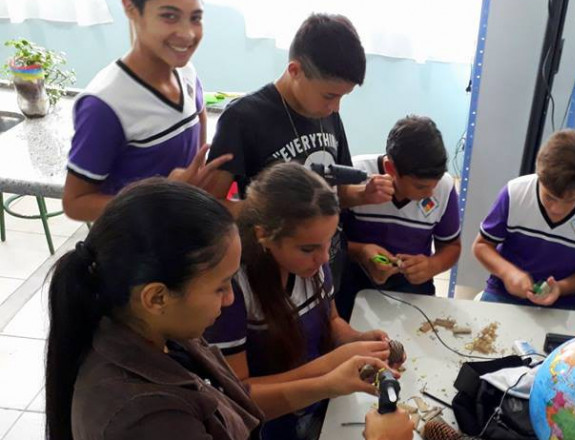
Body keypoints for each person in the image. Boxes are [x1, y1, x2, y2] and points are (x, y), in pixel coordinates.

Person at [45, 180, 413, 440]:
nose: (230, 299)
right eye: (221, 286)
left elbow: (232, 403)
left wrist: (330, 380)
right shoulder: (142, 419)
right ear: (156, 297)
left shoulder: (163, 333)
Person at [204, 162, 394, 440]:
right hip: (277, 427)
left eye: (329, 242)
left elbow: (331, 321)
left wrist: (356, 339)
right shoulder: (233, 291)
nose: (323, 258)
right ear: (264, 235)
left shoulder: (312, 265)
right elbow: (238, 397)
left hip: (326, 404)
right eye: (308, 249)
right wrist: (329, 373)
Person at [206, 14, 392, 287]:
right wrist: (274, 210)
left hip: (326, 268)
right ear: (295, 70)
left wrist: (363, 195)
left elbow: (335, 195)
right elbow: (211, 205)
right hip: (272, 279)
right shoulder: (243, 119)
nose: (336, 107)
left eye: (343, 96)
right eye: (330, 95)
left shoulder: (328, 114)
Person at [63, 0, 231, 222]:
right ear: (131, 8)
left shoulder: (186, 72)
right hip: (137, 238)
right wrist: (162, 198)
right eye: (169, 16)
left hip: (182, 224)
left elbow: (199, 116)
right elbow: (75, 204)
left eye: (195, 18)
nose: (188, 34)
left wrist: (197, 174)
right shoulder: (104, 104)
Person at [473, 129, 575, 310]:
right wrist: (508, 273)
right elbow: (481, 246)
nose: (557, 210)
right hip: (503, 292)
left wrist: (560, 288)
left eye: (570, 200)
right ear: (539, 176)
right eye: (549, 197)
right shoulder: (515, 193)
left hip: (563, 300)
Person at [336, 115, 462, 320]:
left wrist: (432, 266)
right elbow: (327, 242)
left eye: (435, 183)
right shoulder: (355, 175)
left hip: (412, 287)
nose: (430, 193)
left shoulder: (445, 187)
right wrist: (361, 252)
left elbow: (451, 247)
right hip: (353, 283)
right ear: (390, 169)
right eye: (420, 186)